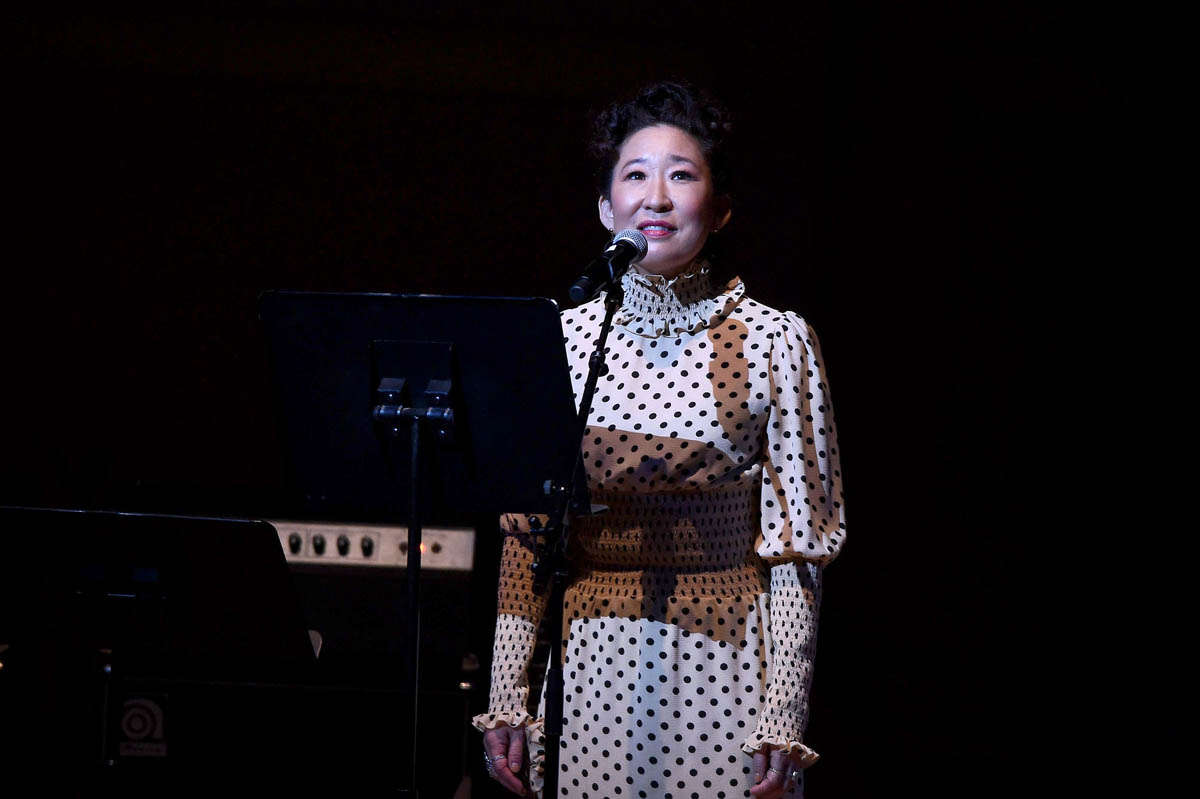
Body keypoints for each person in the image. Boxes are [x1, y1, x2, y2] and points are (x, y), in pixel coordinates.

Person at [472, 81, 846, 799]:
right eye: (636, 175)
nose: (657, 198)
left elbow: (799, 547)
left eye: (682, 175)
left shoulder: (775, 340)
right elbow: (527, 538)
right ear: (605, 206)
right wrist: (509, 696)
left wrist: (783, 713)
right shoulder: (557, 340)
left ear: (721, 207)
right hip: (588, 667)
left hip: (725, 668)